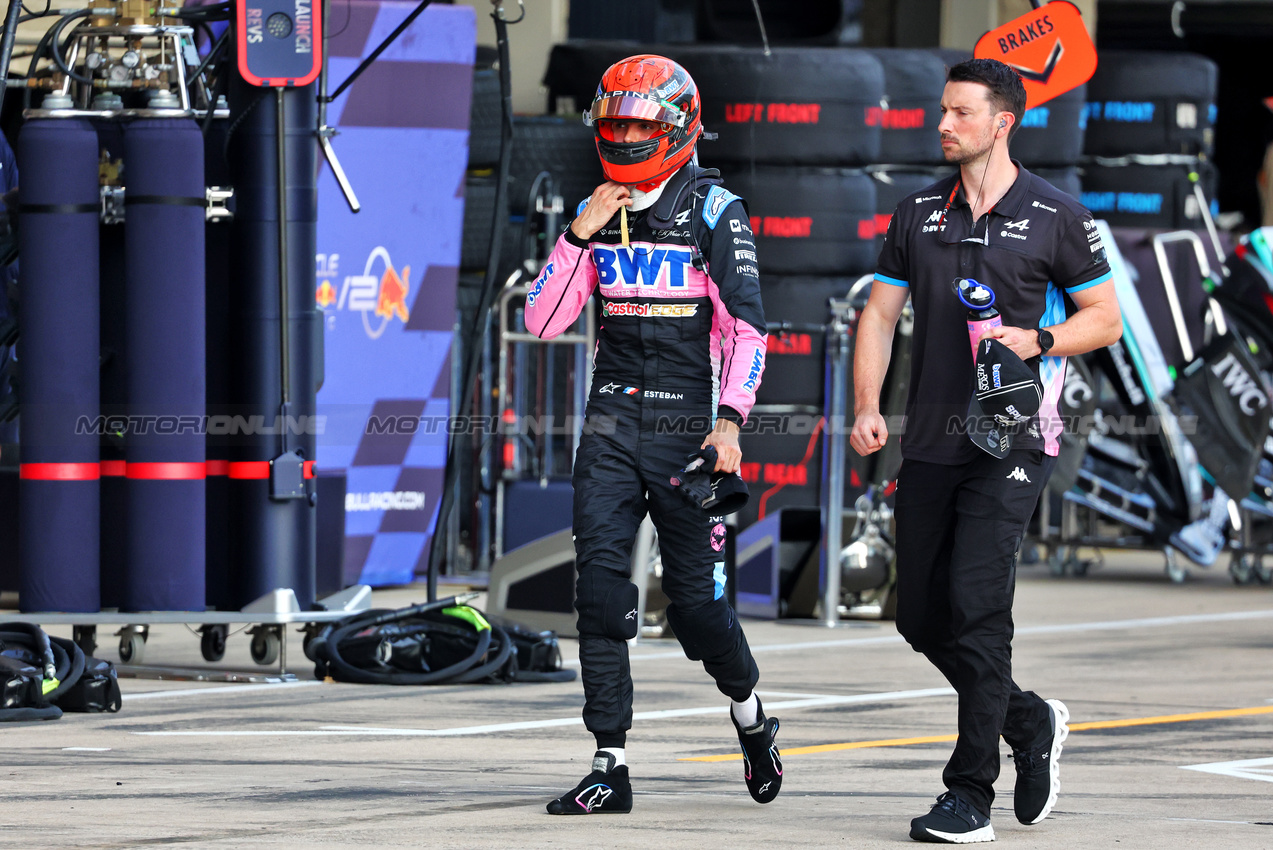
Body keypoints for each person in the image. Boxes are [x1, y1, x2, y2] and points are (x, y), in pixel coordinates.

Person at [850, 58, 1122, 843]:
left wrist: (1038, 337)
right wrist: (869, 407)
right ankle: (1028, 719)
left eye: (960, 113)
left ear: (1001, 122)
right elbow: (876, 317)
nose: (942, 124)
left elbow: (1102, 317)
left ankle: (968, 793)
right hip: (930, 437)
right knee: (920, 618)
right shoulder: (916, 214)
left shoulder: (1055, 214)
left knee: (977, 607)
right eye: (941, 111)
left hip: (1013, 440)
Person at [525, 54, 780, 815]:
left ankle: (751, 718)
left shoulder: (712, 209)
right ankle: (609, 762)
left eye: (640, 123)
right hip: (607, 420)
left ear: (675, 128)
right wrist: (577, 235)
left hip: (685, 424)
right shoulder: (596, 211)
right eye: (616, 123)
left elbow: (747, 329)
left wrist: (729, 424)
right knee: (600, 596)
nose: (627, 135)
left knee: (696, 610)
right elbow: (542, 322)